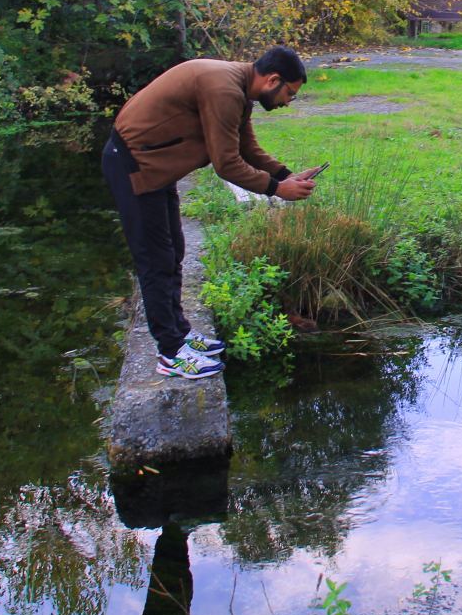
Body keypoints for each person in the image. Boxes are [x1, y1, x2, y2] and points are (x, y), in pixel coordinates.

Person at [102, 46, 320, 379]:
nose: (288, 101)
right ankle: (171, 353)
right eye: (289, 93)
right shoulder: (224, 89)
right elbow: (227, 164)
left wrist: (284, 174)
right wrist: (278, 190)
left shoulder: (239, 89)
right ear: (272, 79)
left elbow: (246, 148)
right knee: (156, 261)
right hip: (134, 165)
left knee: (173, 250)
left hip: (155, 167)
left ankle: (180, 333)